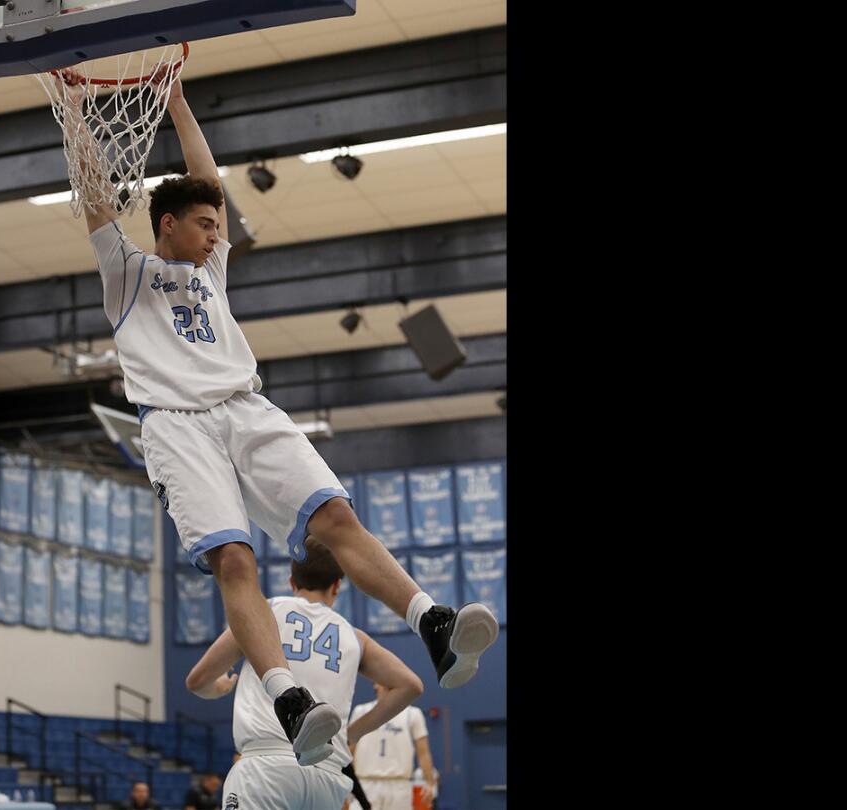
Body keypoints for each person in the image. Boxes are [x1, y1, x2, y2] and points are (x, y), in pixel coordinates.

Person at [60, 66, 499, 766]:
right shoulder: (126, 271)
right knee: (235, 557)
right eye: (203, 225)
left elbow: (211, 183)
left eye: (216, 226)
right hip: (175, 423)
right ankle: (292, 702)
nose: (215, 234)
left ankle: (433, 623)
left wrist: (176, 103)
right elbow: (92, 193)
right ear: (167, 225)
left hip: (245, 407)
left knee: (337, 520)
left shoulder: (212, 271)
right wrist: (77, 111)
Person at [184, 543, 424, 810]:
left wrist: (220, 687)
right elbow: (410, 685)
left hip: (267, 767)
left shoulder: (263, 611)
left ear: (291, 582)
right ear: (336, 586)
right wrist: (348, 734)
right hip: (327, 774)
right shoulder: (355, 636)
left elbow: (198, 680)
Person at [348, 688, 439, 809]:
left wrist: (429, 782)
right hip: (365, 783)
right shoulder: (361, 711)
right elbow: (349, 751)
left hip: (399, 786)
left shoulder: (412, 713)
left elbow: (423, 752)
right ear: (375, 684)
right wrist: (346, 781)